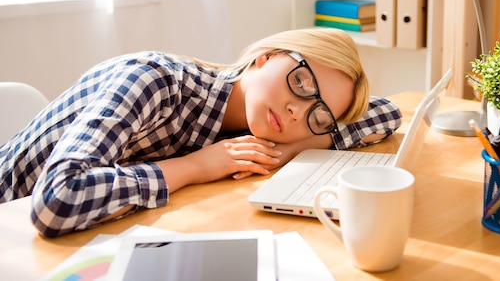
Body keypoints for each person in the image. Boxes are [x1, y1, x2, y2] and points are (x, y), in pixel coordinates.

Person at [0, 28, 402, 237]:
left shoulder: (268, 123)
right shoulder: (154, 80)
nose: (298, 112)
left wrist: (299, 143)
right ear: (267, 58)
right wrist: (194, 167)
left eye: (318, 114)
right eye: (301, 83)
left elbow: (387, 113)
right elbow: (55, 200)